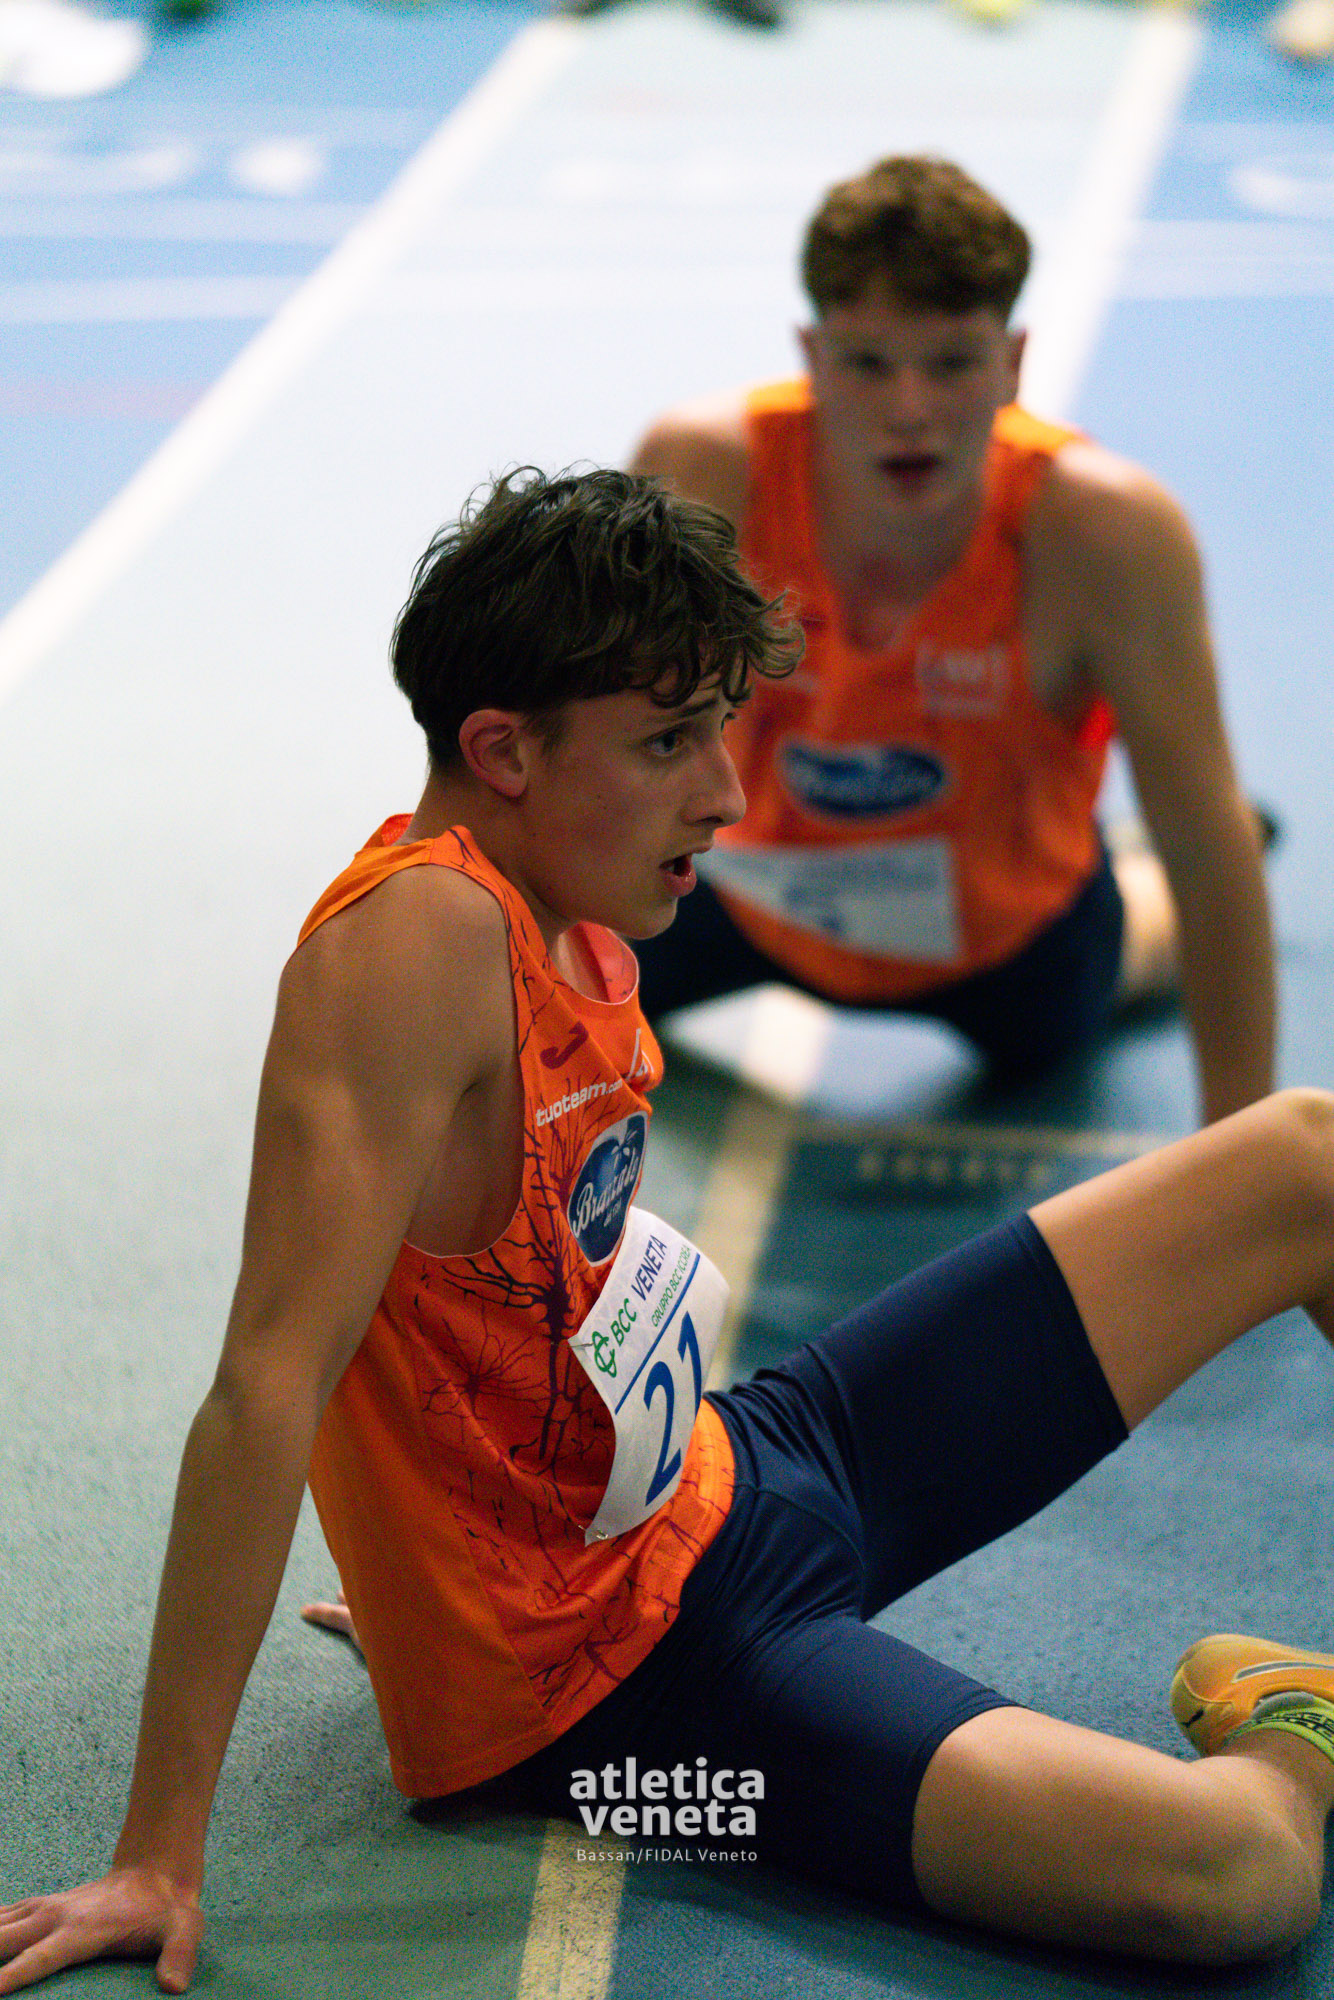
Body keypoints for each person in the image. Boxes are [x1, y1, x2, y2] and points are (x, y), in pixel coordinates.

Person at [3, 468, 1334, 1996]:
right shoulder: (416, 943)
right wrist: (159, 1857)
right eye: (665, 743)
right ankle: (1296, 1724)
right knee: (1224, 1875)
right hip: (628, 1714)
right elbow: (266, 1385)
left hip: (749, 1461)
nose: (726, 793)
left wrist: (423, 1566)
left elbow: (511, 1299)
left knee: (1299, 1161)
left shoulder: (575, 900)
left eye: (720, 729)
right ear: (502, 752)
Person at [629, 156, 1275, 1125]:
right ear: (811, 355)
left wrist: (1245, 1155)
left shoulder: (1106, 533)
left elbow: (1200, 834)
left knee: (1136, 944)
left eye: (951, 363)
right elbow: (597, 738)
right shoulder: (700, 472)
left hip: (1005, 940)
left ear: (1012, 362)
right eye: (867, 363)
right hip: (739, 892)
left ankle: (1135, 895)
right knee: (550, 970)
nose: (908, 410)